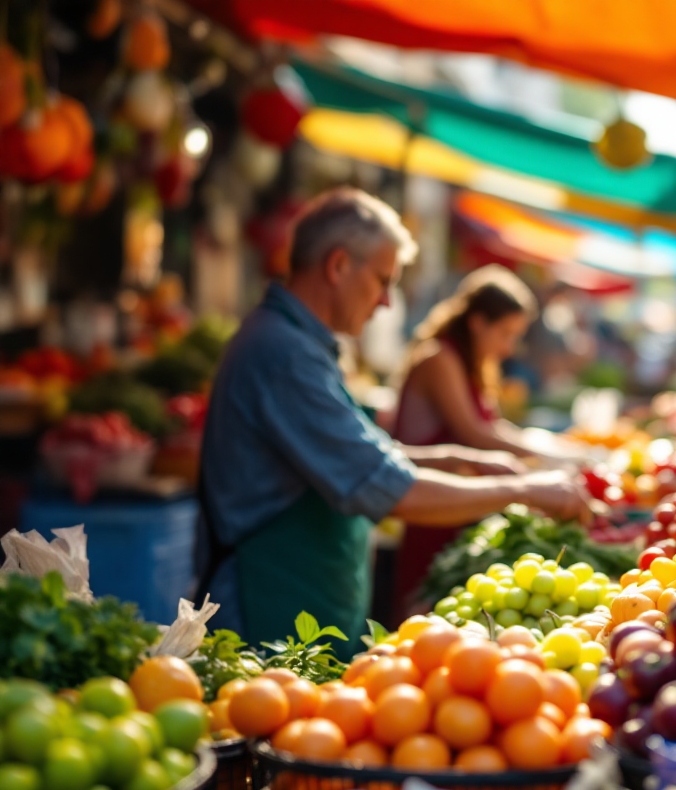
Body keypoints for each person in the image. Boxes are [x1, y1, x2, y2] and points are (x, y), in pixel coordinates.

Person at [193, 189, 588, 657]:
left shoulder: (298, 345)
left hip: (300, 605)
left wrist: (454, 458)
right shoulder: (285, 355)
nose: (384, 303)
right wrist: (524, 490)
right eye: (383, 281)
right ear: (339, 266)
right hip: (270, 607)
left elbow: (354, 453)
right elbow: (384, 486)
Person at [390, 266, 579, 616]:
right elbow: (474, 433)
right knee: (422, 609)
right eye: (505, 333)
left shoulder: (471, 363)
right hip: (433, 508)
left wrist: (552, 451)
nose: (509, 347)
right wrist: (551, 459)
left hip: (460, 504)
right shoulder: (439, 357)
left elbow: (493, 427)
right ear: (478, 322)